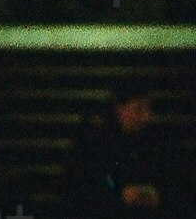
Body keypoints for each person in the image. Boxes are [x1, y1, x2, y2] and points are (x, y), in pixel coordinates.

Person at [60, 84, 182, 219]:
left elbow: (172, 181)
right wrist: (119, 195)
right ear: (120, 109)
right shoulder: (94, 143)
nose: (147, 116)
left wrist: (157, 196)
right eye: (139, 110)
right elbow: (86, 185)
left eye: (149, 109)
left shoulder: (154, 142)